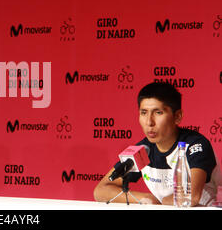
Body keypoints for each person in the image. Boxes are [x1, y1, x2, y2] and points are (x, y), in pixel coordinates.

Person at [93, 82, 222, 206]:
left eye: (158, 112)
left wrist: (163, 202)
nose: (149, 122)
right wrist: (145, 198)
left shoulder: (195, 145)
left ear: (177, 116)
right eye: (144, 113)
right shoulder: (143, 150)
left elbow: (191, 197)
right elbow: (101, 190)